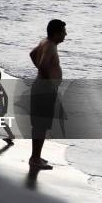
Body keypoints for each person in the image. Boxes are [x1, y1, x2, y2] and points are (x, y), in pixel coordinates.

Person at [29, 19, 67, 170]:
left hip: (41, 87)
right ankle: (35, 158)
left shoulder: (45, 42)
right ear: (57, 33)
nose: (66, 34)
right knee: (41, 125)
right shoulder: (50, 46)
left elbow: (32, 54)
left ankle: (36, 156)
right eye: (64, 31)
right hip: (44, 90)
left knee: (40, 124)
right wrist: (50, 81)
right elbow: (44, 64)